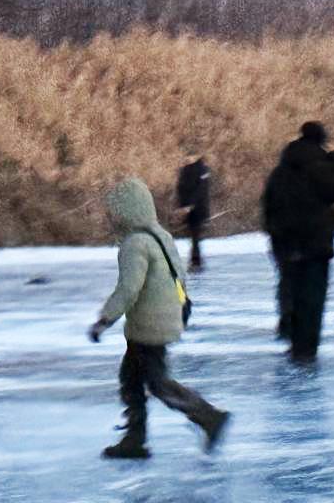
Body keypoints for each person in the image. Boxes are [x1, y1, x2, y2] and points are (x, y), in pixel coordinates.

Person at [88, 178, 230, 459]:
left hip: (148, 324)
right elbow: (179, 275)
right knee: (131, 378)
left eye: (116, 211)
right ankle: (134, 438)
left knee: (157, 382)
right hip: (165, 316)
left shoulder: (135, 243)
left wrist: (105, 319)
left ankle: (208, 416)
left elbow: (129, 288)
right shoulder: (160, 234)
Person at [261, 122, 334, 364]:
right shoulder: (322, 167)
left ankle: (291, 338)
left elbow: (268, 205)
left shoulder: (280, 170)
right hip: (315, 244)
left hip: (286, 244)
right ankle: (307, 348)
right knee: (312, 297)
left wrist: (275, 236)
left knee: (290, 289)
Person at [175, 154, 212, 270]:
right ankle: (195, 260)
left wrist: (191, 205)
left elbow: (201, 190)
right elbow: (180, 189)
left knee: (195, 236)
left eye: (190, 156)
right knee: (192, 236)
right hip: (187, 210)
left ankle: (196, 262)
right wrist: (182, 206)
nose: (187, 159)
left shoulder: (202, 169)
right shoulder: (185, 170)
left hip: (198, 208)